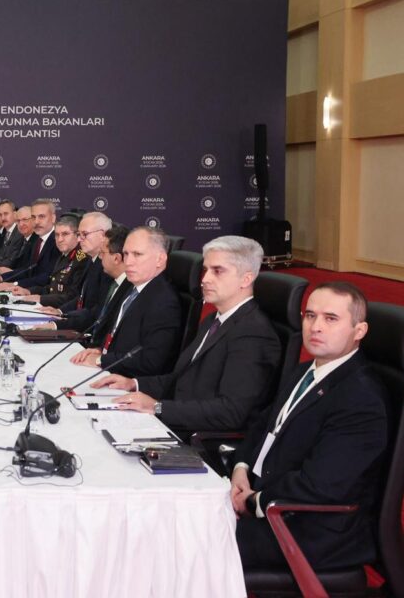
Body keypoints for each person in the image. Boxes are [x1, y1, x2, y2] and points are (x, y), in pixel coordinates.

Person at [230, 282, 387, 571]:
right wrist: (240, 468)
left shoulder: (361, 398)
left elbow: (320, 485)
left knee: (192, 541)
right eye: (310, 315)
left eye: (331, 318)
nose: (316, 327)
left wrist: (253, 501)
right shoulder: (306, 371)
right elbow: (262, 425)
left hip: (304, 529)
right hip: (265, 496)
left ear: (359, 331)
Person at [92, 236, 281, 434]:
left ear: (246, 279)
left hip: (197, 437)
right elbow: (182, 379)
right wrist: (133, 384)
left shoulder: (253, 334)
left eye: (218, 271)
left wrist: (158, 407)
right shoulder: (214, 320)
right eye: (206, 270)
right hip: (179, 419)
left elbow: (231, 411)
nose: (205, 279)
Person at [70, 226, 181, 377]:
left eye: (137, 254)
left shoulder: (164, 301)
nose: (128, 262)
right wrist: (99, 350)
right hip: (110, 370)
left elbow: (152, 361)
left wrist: (101, 360)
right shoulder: (133, 287)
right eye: (126, 254)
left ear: (160, 259)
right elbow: (119, 339)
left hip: (126, 381)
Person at [39, 224, 126, 333]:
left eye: (84, 234)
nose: (79, 239)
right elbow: (80, 297)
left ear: (101, 234)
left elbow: (95, 313)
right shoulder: (90, 261)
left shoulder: (110, 274)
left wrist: (58, 323)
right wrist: (60, 312)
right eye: (79, 234)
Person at [0, 215, 88, 307]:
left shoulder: (81, 260)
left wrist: (40, 298)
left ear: (77, 236)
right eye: (57, 235)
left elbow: (73, 297)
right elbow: (51, 288)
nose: (60, 239)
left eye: (65, 234)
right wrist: (28, 291)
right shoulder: (63, 256)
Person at [0, 199, 59, 289]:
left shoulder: (58, 241)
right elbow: (28, 269)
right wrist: (1, 278)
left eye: (41, 216)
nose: (36, 221)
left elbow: (46, 278)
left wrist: (14, 284)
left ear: (53, 218)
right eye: (34, 217)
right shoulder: (39, 240)